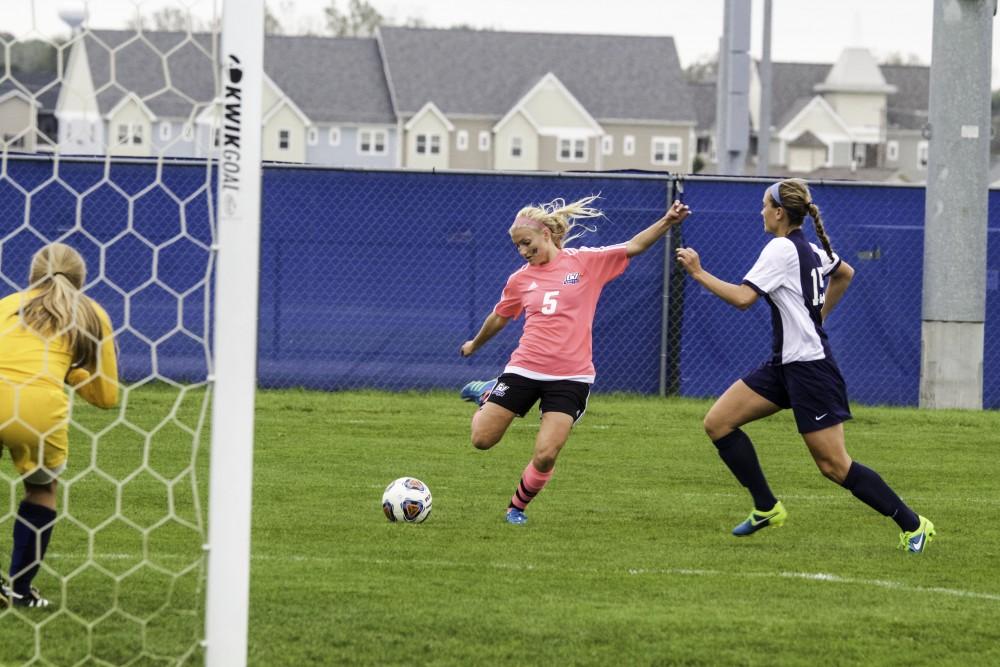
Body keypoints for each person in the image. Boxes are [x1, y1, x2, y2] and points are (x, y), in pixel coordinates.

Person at [673, 179, 933, 553]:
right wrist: (819, 316)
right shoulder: (806, 248)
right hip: (785, 365)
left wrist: (699, 273)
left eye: (764, 205)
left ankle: (913, 524)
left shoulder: (781, 248)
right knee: (718, 422)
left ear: (779, 212)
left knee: (834, 466)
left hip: (810, 369)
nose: (760, 211)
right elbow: (845, 273)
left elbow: (744, 298)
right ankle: (766, 507)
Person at [459, 195, 691, 525]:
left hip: (571, 376)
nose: (523, 252)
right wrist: (474, 344)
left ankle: (516, 508)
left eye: (527, 243)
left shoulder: (585, 262)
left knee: (546, 453)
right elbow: (500, 316)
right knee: (482, 440)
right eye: (518, 247)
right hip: (524, 368)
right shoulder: (520, 279)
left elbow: (634, 246)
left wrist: (668, 220)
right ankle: (488, 392)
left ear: (547, 235)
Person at [0, 243, 119, 608]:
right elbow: (106, 396)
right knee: (41, 490)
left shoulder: (6, 304)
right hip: (37, 410)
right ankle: (20, 589)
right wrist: (68, 371)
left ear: (32, 275)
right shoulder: (91, 314)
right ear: (80, 280)